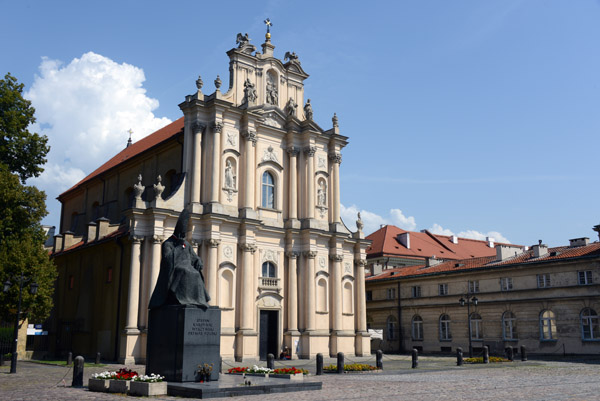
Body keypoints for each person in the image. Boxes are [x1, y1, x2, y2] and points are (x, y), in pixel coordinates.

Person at [148, 209, 210, 309]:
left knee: (196, 273)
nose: (183, 235)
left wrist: (198, 261)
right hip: (175, 270)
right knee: (185, 271)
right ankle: (182, 298)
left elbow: (194, 257)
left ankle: (197, 300)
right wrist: (178, 247)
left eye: (184, 233)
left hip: (188, 268)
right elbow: (167, 259)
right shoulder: (168, 244)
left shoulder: (187, 244)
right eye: (182, 233)